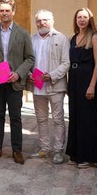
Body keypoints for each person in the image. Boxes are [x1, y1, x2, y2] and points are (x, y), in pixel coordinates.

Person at [0, 0, 34, 164]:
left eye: (7, 10)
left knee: (15, 117)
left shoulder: (23, 33)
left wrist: (19, 74)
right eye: (1, 11)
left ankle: (17, 150)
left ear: (13, 12)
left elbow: (30, 58)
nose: (4, 13)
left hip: (14, 81)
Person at [28, 9, 70, 164]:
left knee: (58, 119)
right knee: (41, 119)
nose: (42, 23)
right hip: (38, 85)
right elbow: (28, 61)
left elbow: (66, 63)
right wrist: (29, 74)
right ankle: (44, 149)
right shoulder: (32, 39)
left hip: (55, 85)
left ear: (52, 21)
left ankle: (58, 150)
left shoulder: (61, 38)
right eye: (39, 21)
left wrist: (51, 75)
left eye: (45, 20)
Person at [65, 8, 97, 168]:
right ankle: (75, 154)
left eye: (85, 17)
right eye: (79, 17)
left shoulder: (94, 37)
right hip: (74, 80)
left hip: (87, 80)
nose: (82, 20)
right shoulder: (73, 38)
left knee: (87, 119)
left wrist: (92, 85)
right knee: (75, 117)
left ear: (90, 19)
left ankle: (88, 156)